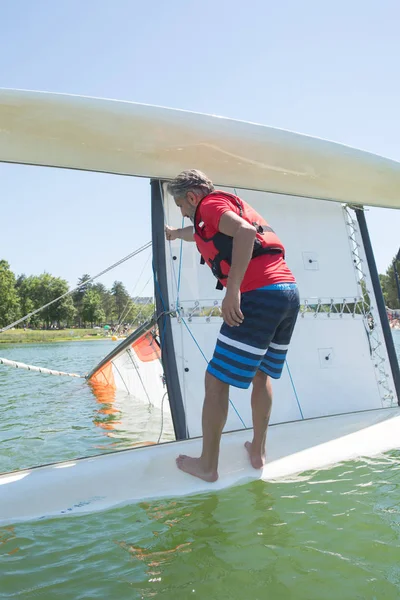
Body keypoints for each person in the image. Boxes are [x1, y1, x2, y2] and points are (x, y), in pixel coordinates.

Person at [165, 170, 300, 482]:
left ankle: (208, 466)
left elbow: (245, 233)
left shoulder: (210, 206)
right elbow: (202, 234)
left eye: (181, 206)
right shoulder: (217, 210)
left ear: (192, 197)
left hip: (258, 295)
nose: (184, 212)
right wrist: (175, 233)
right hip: (286, 293)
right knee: (261, 373)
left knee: (215, 381)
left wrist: (233, 290)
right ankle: (258, 451)